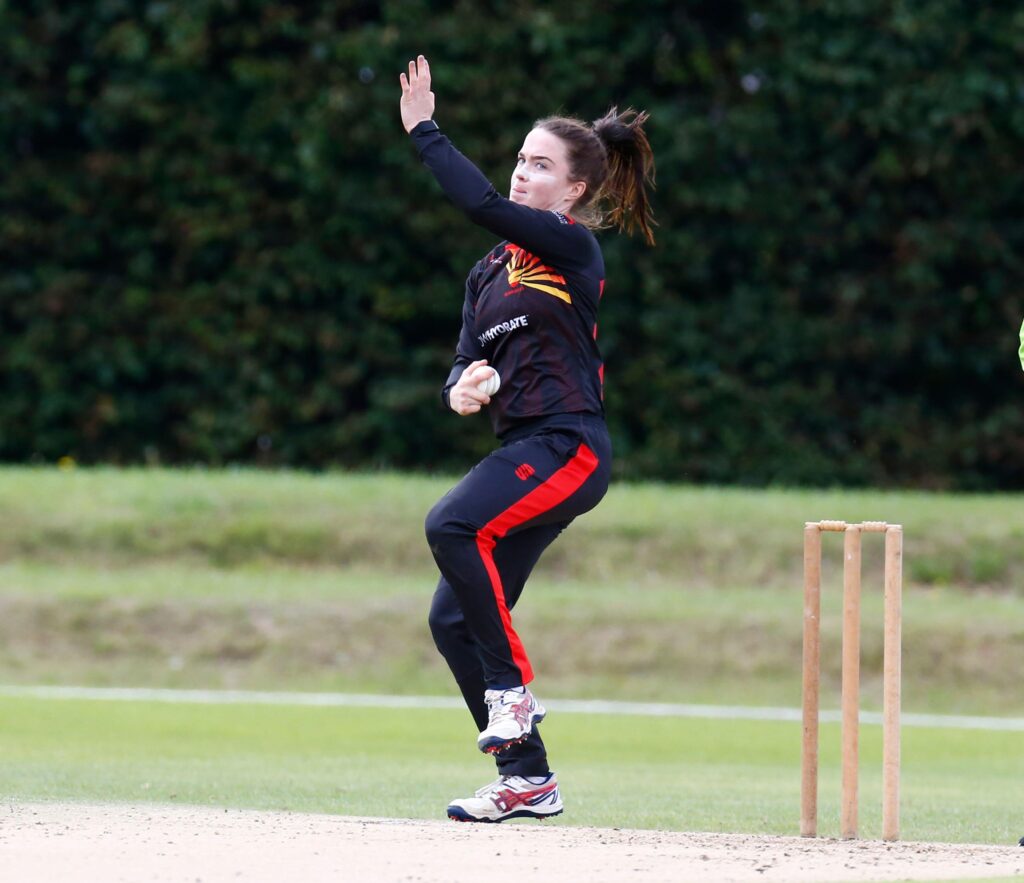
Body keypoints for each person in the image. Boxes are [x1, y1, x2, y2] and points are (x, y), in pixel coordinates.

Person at [399, 55, 655, 823]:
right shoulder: (485, 276)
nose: (519, 175)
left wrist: (423, 131)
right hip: (525, 449)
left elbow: (476, 201)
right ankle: (528, 777)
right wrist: (463, 389)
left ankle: (511, 693)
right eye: (518, 160)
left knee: (450, 522)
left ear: (573, 191)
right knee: (450, 619)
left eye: (539, 165)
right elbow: (459, 365)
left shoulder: (568, 247)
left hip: (569, 445)